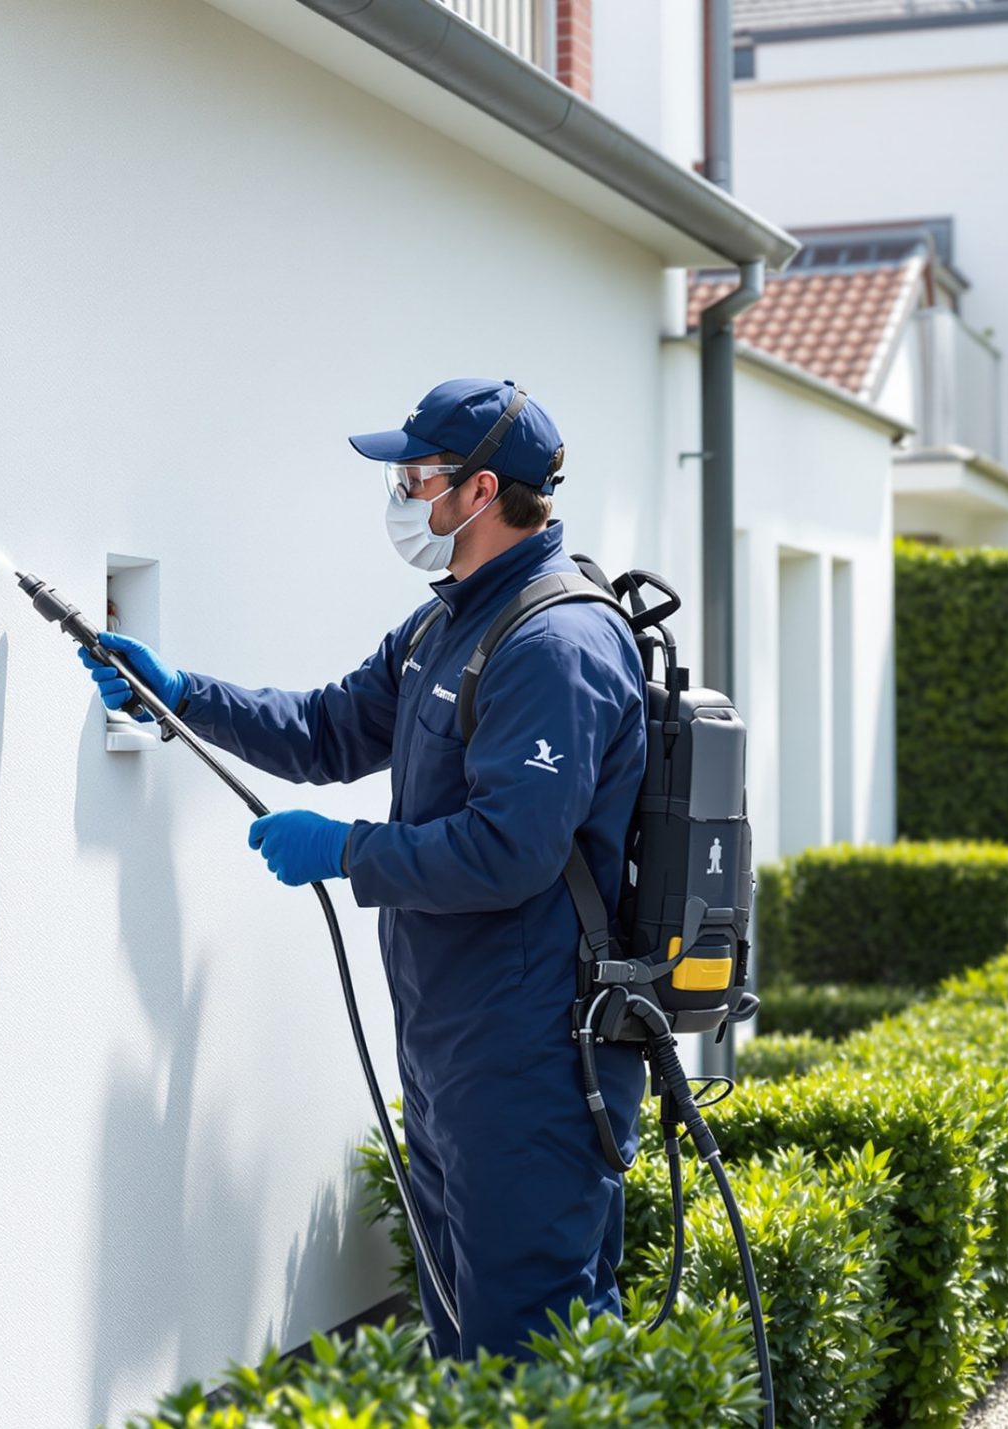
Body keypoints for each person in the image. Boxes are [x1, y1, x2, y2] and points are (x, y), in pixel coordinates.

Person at [75, 378, 650, 1361]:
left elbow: (510, 851)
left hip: (535, 1062)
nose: (397, 494)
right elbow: (326, 728)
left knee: (532, 1356)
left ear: (476, 492)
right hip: (450, 1049)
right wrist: (176, 694)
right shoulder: (448, 623)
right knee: (463, 1340)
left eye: (412, 476)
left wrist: (344, 851)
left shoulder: (553, 643)